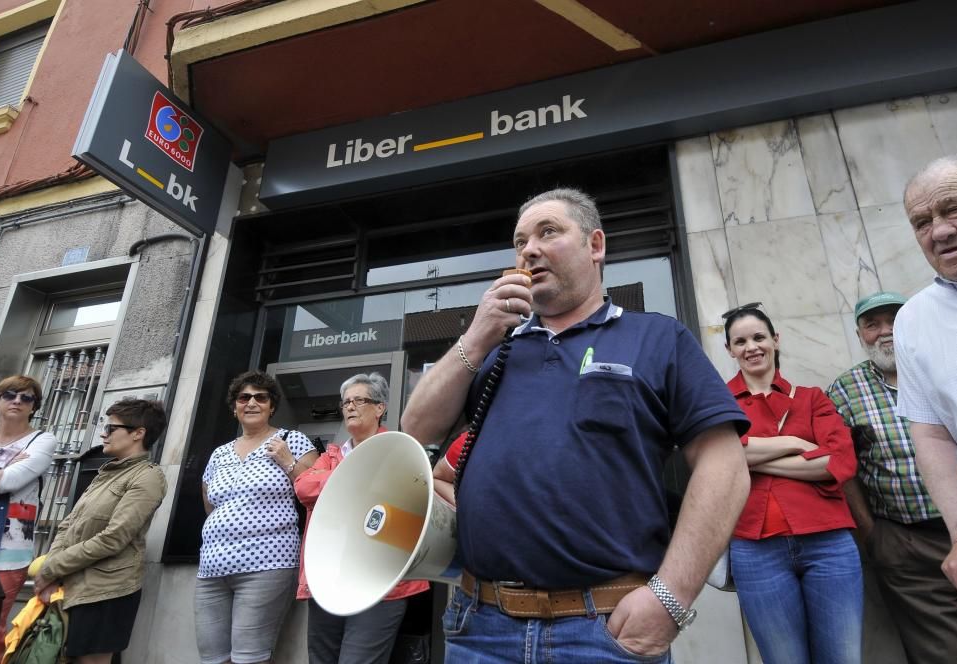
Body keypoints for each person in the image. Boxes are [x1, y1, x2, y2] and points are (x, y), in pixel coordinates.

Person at [401, 188, 751, 662]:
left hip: (603, 630)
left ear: (595, 245)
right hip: (478, 626)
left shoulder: (657, 337)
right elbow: (416, 426)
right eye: (520, 240)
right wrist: (478, 335)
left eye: (549, 232)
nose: (529, 249)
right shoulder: (497, 351)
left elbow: (724, 464)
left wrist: (671, 598)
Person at [828, 291, 957, 664]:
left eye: (893, 321)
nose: (885, 332)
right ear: (859, 334)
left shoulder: (948, 364)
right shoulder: (844, 390)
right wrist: (873, 537)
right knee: (946, 657)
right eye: (872, 324)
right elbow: (842, 469)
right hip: (907, 544)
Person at [723, 304, 861, 664]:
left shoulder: (811, 397)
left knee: (843, 657)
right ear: (730, 350)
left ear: (775, 340)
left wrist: (755, 459)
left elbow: (839, 462)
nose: (751, 347)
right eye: (740, 341)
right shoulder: (719, 402)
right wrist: (798, 444)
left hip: (828, 542)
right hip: (756, 550)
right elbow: (719, 458)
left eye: (758, 337)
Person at [896, 154, 957, 618]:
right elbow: (931, 434)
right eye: (922, 222)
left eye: (954, 208)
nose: (940, 231)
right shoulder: (912, 320)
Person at [294, 372, 428, 664]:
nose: (350, 407)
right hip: (328, 576)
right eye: (345, 402)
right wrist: (359, 477)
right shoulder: (332, 453)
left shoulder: (399, 448)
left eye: (359, 400)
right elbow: (304, 486)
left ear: (380, 408)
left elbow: (403, 497)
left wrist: (337, 482)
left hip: (380, 581)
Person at [195, 370, 319, 664]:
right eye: (243, 397)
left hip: (267, 564)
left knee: (249, 658)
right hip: (212, 568)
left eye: (260, 397)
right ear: (234, 406)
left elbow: (316, 492)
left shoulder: (292, 440)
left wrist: (287, 461)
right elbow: (210, 505)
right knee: (212, 658)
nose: (251, 403)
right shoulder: (219, 453)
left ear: (271, 405)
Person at [33, 398, 167, 663]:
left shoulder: (148, 476)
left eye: (111, 428)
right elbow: (68, 525)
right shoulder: (106, 473)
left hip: (108, 590)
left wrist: (52, 567)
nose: (104, 434)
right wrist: (52, 569)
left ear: (138, 433)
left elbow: (113, 538)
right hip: (72, 584)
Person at [0, 376, 57, 663]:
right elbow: (2, 478)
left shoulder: (42, 440)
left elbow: (12, 481)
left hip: (8, 550)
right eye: (10, 395)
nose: (17, 401)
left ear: (33, 407)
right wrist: (1, 470)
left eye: (26, 398)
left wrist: (3, 474)